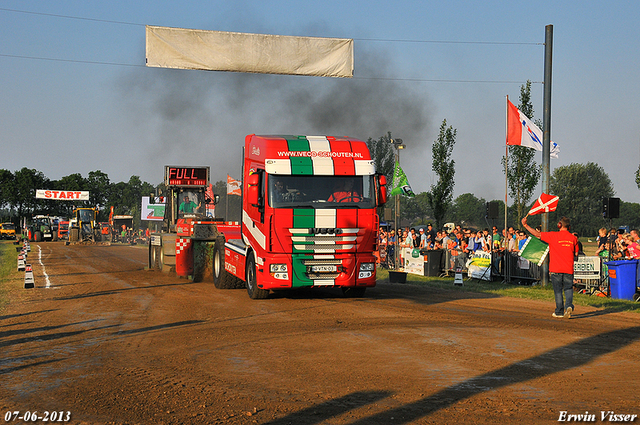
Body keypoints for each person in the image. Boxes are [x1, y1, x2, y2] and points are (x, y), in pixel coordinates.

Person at [522, 215, 578, 319]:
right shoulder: (573, 238)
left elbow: (537, 234)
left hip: (556, 268)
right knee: (568, 289)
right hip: (568, 268)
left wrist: (525, 225)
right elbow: (576, 254)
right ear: (569, 227)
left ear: (559, 225)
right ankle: (569, 305)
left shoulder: (553, 236)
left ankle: (559, 312)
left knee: (558, 291)